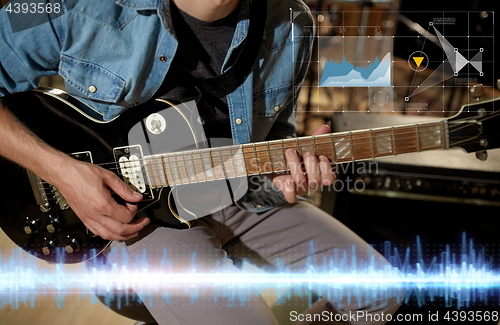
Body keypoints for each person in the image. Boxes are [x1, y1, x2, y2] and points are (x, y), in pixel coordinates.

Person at [0, 0, 403, 324]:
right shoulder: (69, 5)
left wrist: (291, 171)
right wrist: (62, 171)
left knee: (379, 295)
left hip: (237, 191)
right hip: (137, 214)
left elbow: (275, 137)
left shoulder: (292, 21)